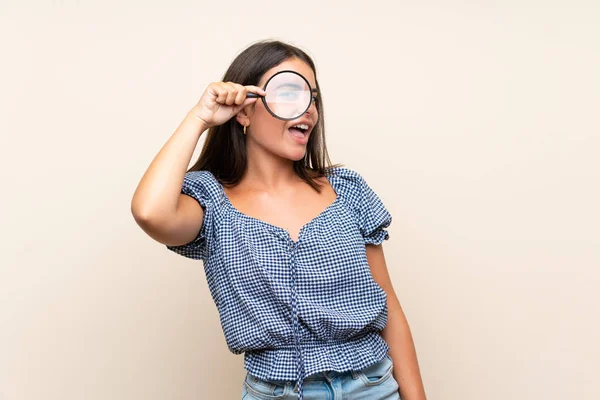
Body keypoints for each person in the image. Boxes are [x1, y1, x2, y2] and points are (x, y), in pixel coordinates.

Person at [131, 39, 427, 400]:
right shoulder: (210, 202)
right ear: (244, 111)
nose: (309, 111)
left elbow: (390, 308)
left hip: (373, 388)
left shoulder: (346, 191)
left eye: (313, 98)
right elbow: (150, 213)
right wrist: (200, 118)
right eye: (290, 94)